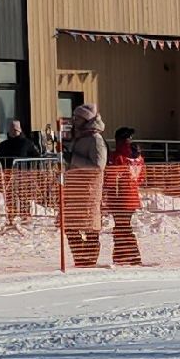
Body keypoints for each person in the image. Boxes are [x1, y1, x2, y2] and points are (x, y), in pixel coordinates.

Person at [62, 103, 107, 267]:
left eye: (78, 118)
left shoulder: (96, 140)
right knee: (71, 227)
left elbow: (98, 165)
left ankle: (88, 260)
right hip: (75, 190)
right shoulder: (79, 138)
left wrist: (73, 159)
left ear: (86, 120)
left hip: (88, 191)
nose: (74, 121)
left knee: (89, 228)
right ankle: (80, 258)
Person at [104, 126, 145, 266]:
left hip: (119, 198)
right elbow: (141, 178)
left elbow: (110, 178)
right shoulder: (138, 157)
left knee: (122, 228)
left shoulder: (117, 157)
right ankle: (125, 255)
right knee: (124, 227)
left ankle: (129, 256)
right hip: (132, 197)